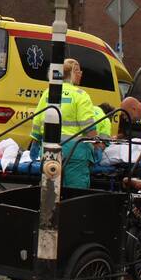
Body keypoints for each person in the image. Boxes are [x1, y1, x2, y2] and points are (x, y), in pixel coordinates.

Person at [31, 58, 97, 189]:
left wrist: (35, 142)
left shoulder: (48, 92)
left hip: (49, 149)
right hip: (75, 152)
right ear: (73, 72)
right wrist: (97, 143)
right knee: (75, 192)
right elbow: (88, 125)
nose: (81, 74)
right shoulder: (80, 95)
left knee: (50, 190)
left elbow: (37, 120)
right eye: (79, 71)